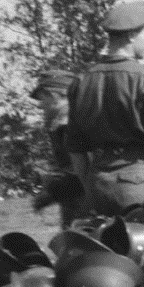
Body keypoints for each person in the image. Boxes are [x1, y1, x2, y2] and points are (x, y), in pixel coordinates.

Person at [66, 2, 144, 217]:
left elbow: (76, 149)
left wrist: (90, 186)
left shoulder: (80, 81)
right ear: (131, 36)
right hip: (137, 184)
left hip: (97, 184)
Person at [31, 69, 87, 225]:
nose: (40, 106)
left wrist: (51, 192)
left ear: (55, 96)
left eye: (42, 99)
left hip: (84, 209)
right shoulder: (68, 122)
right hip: (77, 206)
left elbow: (82, 174)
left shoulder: (67, 126)